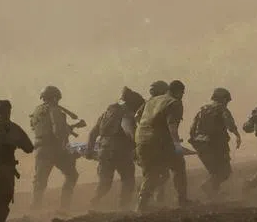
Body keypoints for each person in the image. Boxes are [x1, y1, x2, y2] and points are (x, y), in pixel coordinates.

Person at [135, 79, 189, 210]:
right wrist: (177, 146)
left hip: (141, 140)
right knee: (178, 166)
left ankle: (142, 204)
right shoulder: (174, 103)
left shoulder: (152, 100)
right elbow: (172, 127)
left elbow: (137, 117)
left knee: (151, 173)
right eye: (182, 93)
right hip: (159, 142)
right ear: (178, 92)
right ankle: (182, 199)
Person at [86, 86, 145, 208]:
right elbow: (131, 134)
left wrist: (89, 151)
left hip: (104, 151)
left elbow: (92, 133)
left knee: (104, 184)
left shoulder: (106, 114)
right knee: (128, 180)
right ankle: (123, 208)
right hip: (120, 151)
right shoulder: (126, 115)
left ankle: (92, 204)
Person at [29, 85, 81, 211]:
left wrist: (70, 128)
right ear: (54, 98)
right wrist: (68, 134)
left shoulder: (37, 111)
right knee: (72, 175)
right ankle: (64, 207)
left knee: (40, 182)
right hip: (55, 149)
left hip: (40, 149)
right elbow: (58, 131)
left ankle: (35, 210)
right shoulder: (54, 110)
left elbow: (37, 128)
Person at [188, 87, 242, 197]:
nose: (227, 103)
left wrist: (196, 142)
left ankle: (212, 193)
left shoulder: (202, 110)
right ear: (223, 99)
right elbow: (229, 123)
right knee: (224, 172)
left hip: (201, 144)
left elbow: (192, 129)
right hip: (216, 144)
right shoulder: (222, 109)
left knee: (216, 172)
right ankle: (207, 188)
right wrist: (237, 135)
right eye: (226, 100)